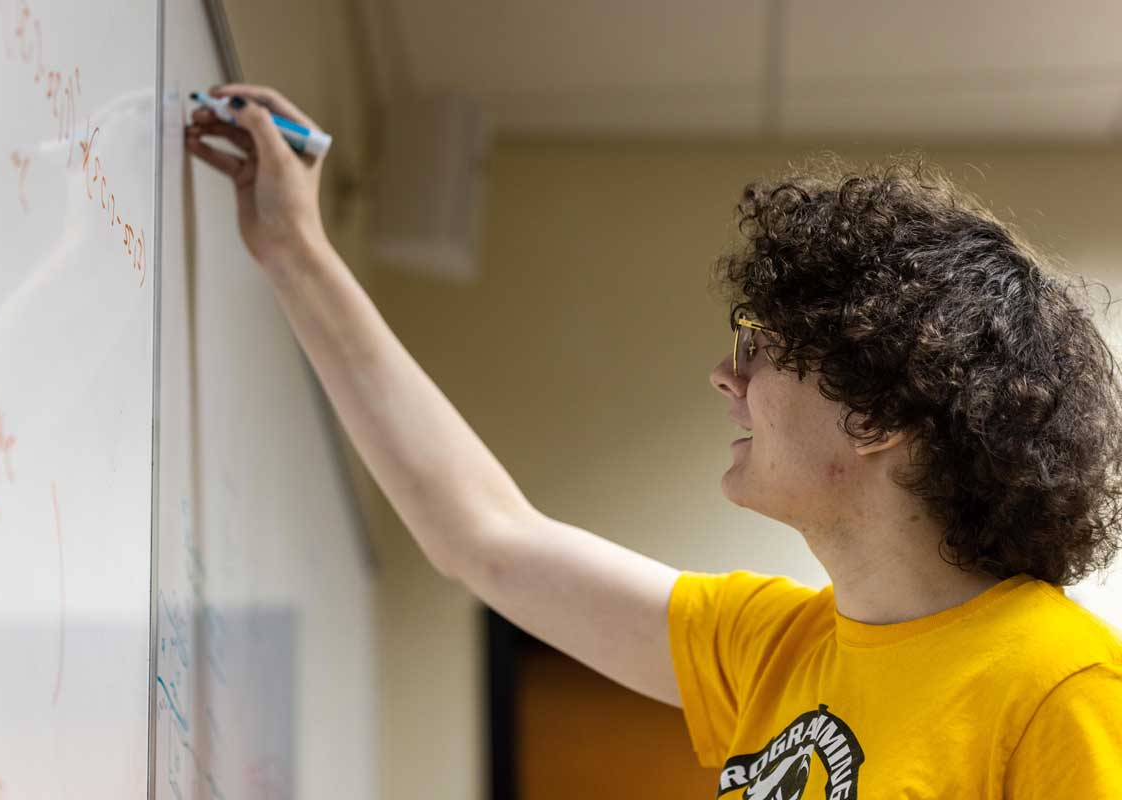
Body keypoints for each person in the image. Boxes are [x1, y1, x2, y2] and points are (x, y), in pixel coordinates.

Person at [185, 84, 1122, 797]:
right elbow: (486, 537)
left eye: (763, 348)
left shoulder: (1062, 684)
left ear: (877, 416)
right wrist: (295, 251)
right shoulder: (772, 649)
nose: (727, 375)